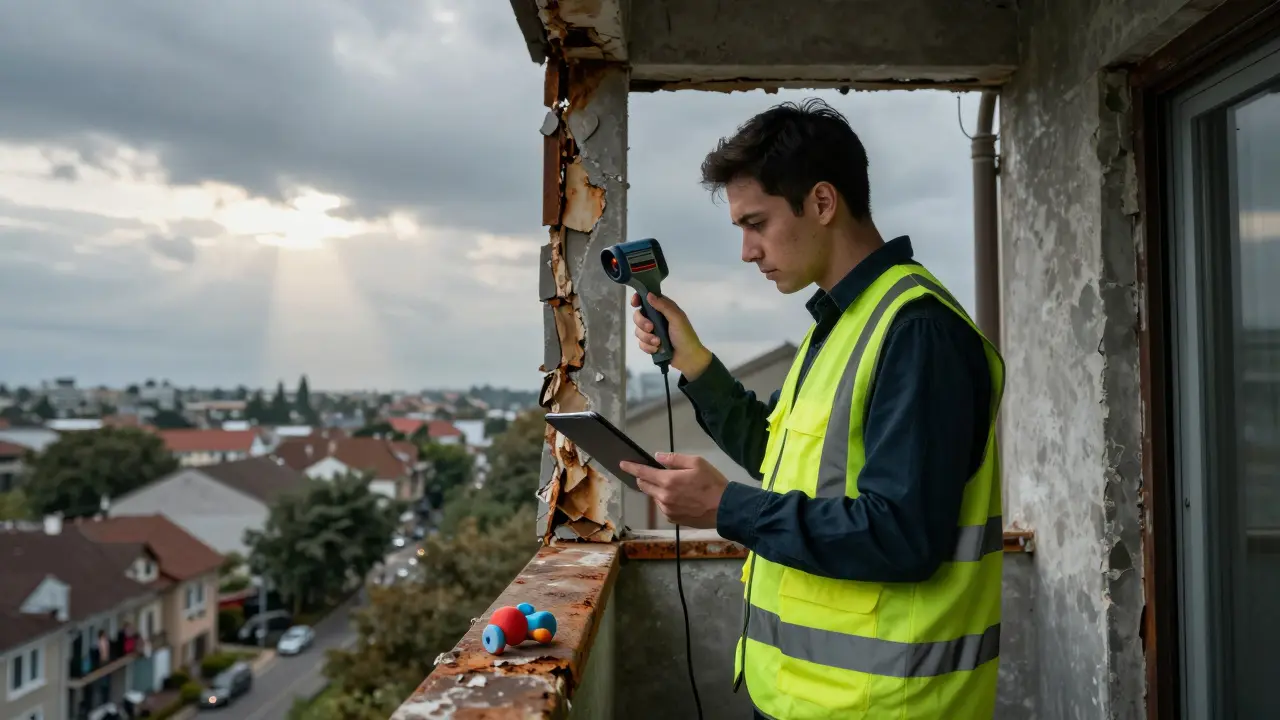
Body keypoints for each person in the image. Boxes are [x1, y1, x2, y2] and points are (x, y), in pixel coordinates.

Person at [617, 98, 1005, 719]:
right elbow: (780, 456)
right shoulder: (842, 325)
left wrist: (725, 507)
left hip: (882, 706)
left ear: (822, 203)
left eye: (756, 223)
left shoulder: (916, 332)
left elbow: (903, 536)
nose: (747, 251)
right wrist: (693, 361)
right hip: (806, 697)